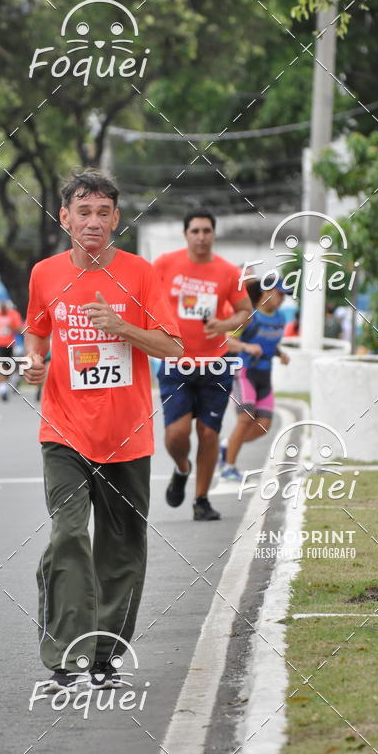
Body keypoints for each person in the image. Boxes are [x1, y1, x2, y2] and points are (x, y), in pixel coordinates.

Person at [24, 170, 181, 692]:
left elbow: (171, 345)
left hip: (127, 435)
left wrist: (122, 328)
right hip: (64, 431)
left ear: (116, 220)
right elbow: (37, 331)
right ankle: (67, 657)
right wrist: (34, 361)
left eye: (103, 212)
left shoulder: (140, 274)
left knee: (121, 548)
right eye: (83, 211)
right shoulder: (44, 274)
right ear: (64, 217)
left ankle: (104, 657)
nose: (93, 221)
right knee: (68, 536)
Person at [153, 211, 252, 521]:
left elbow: (245, 311)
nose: (201, 236)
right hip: (176, 361)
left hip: (215, 363)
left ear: (213, 234)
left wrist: (225, 325)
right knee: (176, 435)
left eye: (207, 230)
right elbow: (142, 297)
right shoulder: (165, 264)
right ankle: (182, 468)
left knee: (209, 435)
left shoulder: (227, 272)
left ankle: (201, 500)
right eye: (195, 230)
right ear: (186, 234)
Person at [220, 279, 291, 481]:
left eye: (285, 296)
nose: (282, 300)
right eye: (280, 294)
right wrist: (245, 347)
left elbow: (268, 343)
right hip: (244, 372)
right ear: (266, 292)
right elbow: (225, 340)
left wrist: (280, 354)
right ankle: (229, 468)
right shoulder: (249, 316)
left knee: (263, 426)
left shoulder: (280, 318)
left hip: (265, 376)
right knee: (245, 419)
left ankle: (226, 445)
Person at [0, 301, 22, 400]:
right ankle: (3, 389)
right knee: (2, 366)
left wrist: (11, 327)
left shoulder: (14, 315)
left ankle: (12, 382)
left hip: (11, 344)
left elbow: (19, 330)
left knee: (10, 367)